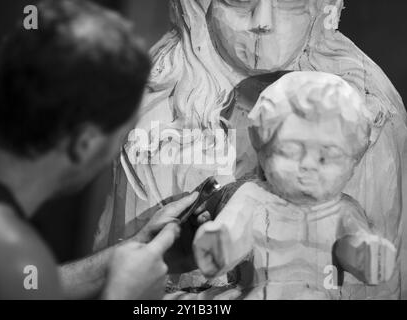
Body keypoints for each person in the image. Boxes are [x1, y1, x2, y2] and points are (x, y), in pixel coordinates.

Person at [95, 0, 407, 296]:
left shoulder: (366, 108)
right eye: (239, 0)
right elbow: (134, 284)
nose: (263, 22)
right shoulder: (159, 108)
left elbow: (377, 290)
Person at [0, 0, 203, 300]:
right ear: (84, 144)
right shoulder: (3, 249)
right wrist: (124, 295)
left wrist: (127, 254)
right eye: (122, 134)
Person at [193, 72, 397, 300]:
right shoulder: (253, 197)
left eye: (326, 156)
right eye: (290, 151)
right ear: (262, 149)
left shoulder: (344, 210)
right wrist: (219, 248)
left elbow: (352, 246)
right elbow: (234, 232)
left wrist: (365, 257)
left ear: (353, 162)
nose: (308, 166)